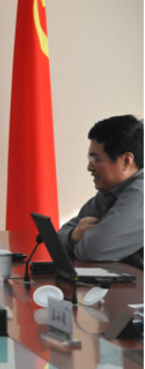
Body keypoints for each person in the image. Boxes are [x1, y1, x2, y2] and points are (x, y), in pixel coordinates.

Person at [58, 115, 144, 268]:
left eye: (96, 159)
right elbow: (56, 238)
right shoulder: (109, 192)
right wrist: (73, 235)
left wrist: (77, 244)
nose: (89, 167)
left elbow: (93, 250)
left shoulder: (139, 193)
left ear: (126, 161)